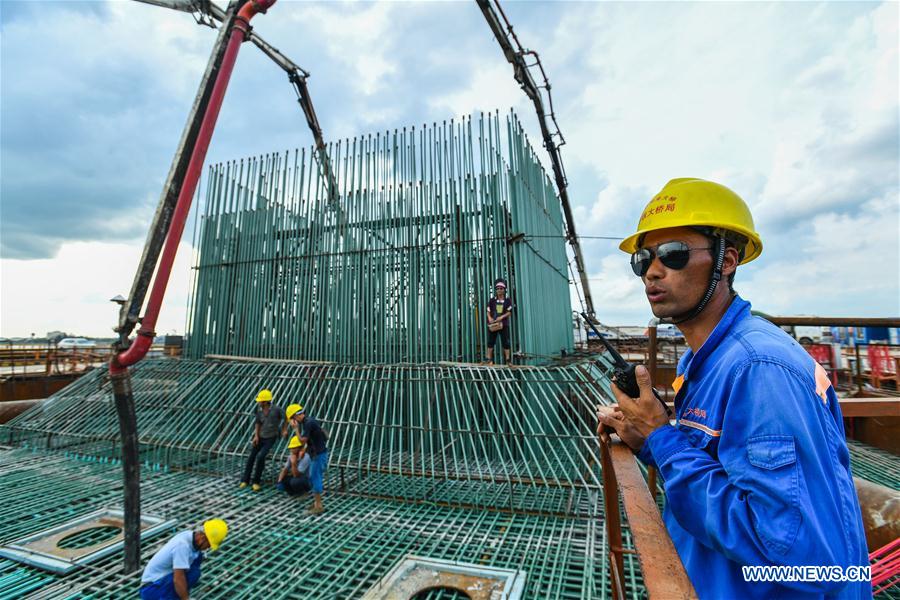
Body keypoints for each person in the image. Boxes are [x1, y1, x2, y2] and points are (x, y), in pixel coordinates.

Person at [596, 178, 869, 599]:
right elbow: (721, 470)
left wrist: (663, 437)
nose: (652, 270)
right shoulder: (706, 359)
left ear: (727, 261)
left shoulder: (758, 369)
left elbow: (794, 555)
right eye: (644, 258)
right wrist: (647, 441)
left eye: (673, 254)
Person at [139, 519, 228, 600]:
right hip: (152, 589)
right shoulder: (182, 546)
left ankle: (176, 594)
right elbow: (178, 578)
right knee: (188, 576)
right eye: (208, 545)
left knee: (195, 568)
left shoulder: (190, 536)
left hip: (162, 581)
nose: (207, 548)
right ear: (202, 538)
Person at [239, 389, 287, 491]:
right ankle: (245, 480)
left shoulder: (276, 410)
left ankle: (256, 482)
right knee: (251, 457)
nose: (259, 402)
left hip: (270, 438)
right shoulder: (259, 411)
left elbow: (286, 417)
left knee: (261, 457)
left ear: (265, 402)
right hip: (260, 437)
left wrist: (284, 429)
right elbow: (257, 423)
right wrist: (256, 436)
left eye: (260, 401)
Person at [289, 404, 328, 515]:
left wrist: (295, 429)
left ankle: (319, 506)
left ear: (295, 416)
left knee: (316, 478)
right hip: (317, 454)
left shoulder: (308, 423)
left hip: (318, 455)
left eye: (292, 419)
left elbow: (302, 441)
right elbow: (312, 439)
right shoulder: (309, 421)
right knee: (312, 477)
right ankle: (316, 503)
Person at [485, 278, 513, 365]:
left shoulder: (508, 300)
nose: (499, 290)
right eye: (497, 288)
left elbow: (509, 312)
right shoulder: (492, 300)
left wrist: (501, 317)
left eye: (501, 288)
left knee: (505, 342)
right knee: (490, 341)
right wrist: (489, 318)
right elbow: (488, 310)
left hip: (503, 324)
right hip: (493, 324)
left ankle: (508, 360)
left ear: (504, 290)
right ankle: (489, 359)